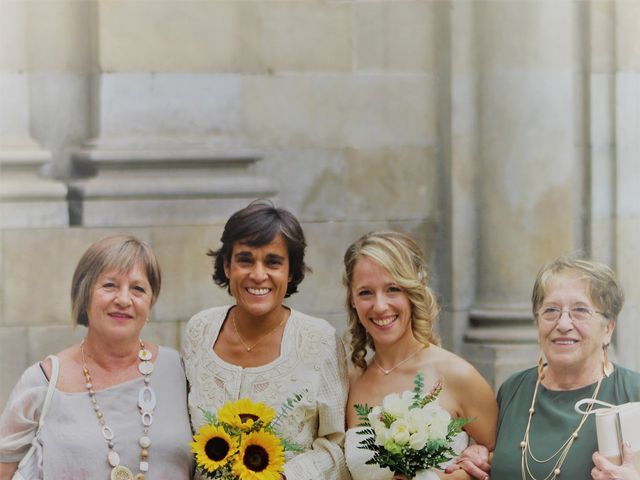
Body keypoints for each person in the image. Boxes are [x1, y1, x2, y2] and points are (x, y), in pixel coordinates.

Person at [0, 235, 193, 480]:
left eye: (138, 289)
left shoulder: (179, 371)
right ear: (84, 295)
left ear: (150, 301)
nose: (124, 300)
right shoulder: (42, 382)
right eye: (110, 285)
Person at [182, 200, 349, 479]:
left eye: (273, 262)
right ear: (227, 266)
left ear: (292, 271)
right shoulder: (199, 331)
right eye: (245, 260)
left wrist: (284, 476)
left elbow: (336, 446)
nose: (258, 275)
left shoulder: (320, 340)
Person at [448, 256, 640, 480]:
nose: (563, 324)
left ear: (608, 328)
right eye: (551, 311)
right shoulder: (513, 389)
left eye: (580, 310)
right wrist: (481, 456)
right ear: (537, 321)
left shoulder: (633, 393)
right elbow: (496, 460)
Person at [343, 231, 498, 480]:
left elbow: (503, 460)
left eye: (393, 289)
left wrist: (457, 474)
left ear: (413, 292)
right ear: (352, 299)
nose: (380, 306)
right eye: (365, 293)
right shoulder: (350, 383)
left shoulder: (459, 376)